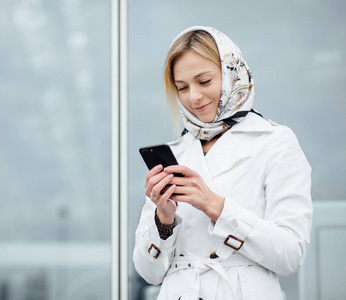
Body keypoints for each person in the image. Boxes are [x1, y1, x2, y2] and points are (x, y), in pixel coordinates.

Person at [133, 26, 312, 300]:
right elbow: (149, 273)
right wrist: (164, 219)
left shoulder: (275, 141)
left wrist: (215, 206)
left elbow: (290, 255)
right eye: (182, 87)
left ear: (231, 74)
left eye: (204, 81)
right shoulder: (176, 153)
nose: (193, 96)